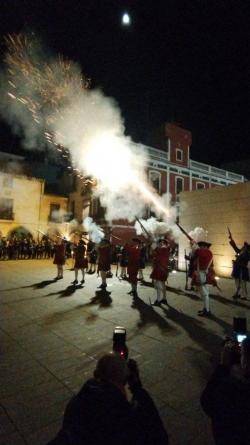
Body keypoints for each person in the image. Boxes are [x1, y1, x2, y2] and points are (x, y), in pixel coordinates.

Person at [47, 352, 168, 445]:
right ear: (123, 380)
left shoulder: (77, 402)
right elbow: (159, 437)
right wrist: (138, 390)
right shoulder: (123, 415)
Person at [201, 337, 250, 445]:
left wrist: (223, 366)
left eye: (243, 355)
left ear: (246, 364)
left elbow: (207, 402)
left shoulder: (233, 392)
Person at [192, 240, 214, 317]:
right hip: (201, 273)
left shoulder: (207, 252)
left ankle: (207, 311)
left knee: (204, 293)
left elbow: (198, 253)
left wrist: (194, 247)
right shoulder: (205, 253)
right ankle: (205, 308)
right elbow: (195, 258)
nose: (200, 247)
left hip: (201, 273)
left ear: (205, 247)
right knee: (204, 292)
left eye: (202, 246)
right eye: (200, 246)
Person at [228, 232, 250, 300]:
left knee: (243, 282)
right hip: (237, 266)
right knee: (237, 280)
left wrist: (239, 256)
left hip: (243, 268)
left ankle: (244, 295)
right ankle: (238, 293)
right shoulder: (243, 250)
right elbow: (237, 250)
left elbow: (247, 258)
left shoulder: (248, 252)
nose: (244, 247)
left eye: (245, 246)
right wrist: (231, 239)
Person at [150, 239, 170, 306]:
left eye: (162, 242)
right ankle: (164, 299)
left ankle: (158, 301)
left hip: (160, 268)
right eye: (160, 242)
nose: (161, 244)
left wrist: (153, 244)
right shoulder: (165, 249)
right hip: (163, 269)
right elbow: (153, 253)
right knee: (163, 284)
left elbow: (154, 250)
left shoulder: (163, 249)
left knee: (158, 285)